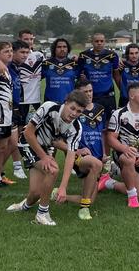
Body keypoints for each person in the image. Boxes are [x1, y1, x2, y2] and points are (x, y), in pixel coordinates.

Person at [7, 90, 88, 225]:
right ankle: (42, 214)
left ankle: (24, 206)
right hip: (27, 142)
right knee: (53, 169)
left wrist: (63, 187)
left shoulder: (76, 128)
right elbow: (28, 132)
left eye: (79, 111)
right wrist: (44, 157)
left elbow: (70, 156)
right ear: (66, 103)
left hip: (44, 147)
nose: (74, 113)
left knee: (36, 192)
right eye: (72, 108)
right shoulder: (49, 107)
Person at [99, 82, 139, 208]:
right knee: (129, 160)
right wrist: (125, 149)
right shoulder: (118, 114)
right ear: (132, 96)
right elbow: (111, 138)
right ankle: (132, 197)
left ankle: (108, 182)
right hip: (124, 155)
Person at [50, 80, 104, 220]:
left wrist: (104, 154)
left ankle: (60, 195)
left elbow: (103, 134)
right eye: (85, 92)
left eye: (90, 91)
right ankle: (84, 209)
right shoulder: (70, 114)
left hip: (97, 157)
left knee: (91, 199)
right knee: (96, 164)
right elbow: (55, 140)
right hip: (77, 156)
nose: (88, 94)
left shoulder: (100, 109)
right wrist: (76, 150)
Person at [77, 33, 120, 119]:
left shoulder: (112, 55)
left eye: (101, 41)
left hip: (108, 95)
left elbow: (116, 74)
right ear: (92, 42)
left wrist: (121, 89)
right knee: (91, 120)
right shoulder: (83, 56)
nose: (99, 43)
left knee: (109, 121)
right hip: (91, 96)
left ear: (105, 42)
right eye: (96, 41)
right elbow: (79, 74)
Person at [8, 40, 28, 180]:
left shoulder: (16, 67)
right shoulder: (5, 66)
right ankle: (16, 167)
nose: (25, 55)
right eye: (22, 52)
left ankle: (1, 173)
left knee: (10, 143)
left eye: (27, 52)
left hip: (16, 106)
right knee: (8, 143)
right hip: (5, 109)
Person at [17, 30, 45, 124]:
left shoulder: (39, 55)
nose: (29, 41)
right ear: (19, 39)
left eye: (31, 39)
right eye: (26, 39)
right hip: (21, 100)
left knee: (39, 125)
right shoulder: (15, 57)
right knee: (20, 125)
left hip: (36, 99)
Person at [42, 38, 79, 104]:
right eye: (59, 47)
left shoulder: (74, 64)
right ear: (54, 49)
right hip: (50, 102)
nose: (62, 49)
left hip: (69, 102)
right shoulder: (46, 64)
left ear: (68, 49)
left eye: (64, 47)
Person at [0, 42, 14, 188]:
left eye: (11, 50)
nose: (10, 53)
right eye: (6, 51)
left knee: (2, 147)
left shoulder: (6, 69)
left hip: (7, 114)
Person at [117, 43, 139, 107]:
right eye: (131, 53)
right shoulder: (121, 65)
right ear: (127, 54)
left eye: (136, 53)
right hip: (125, 100)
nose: (134, 56)